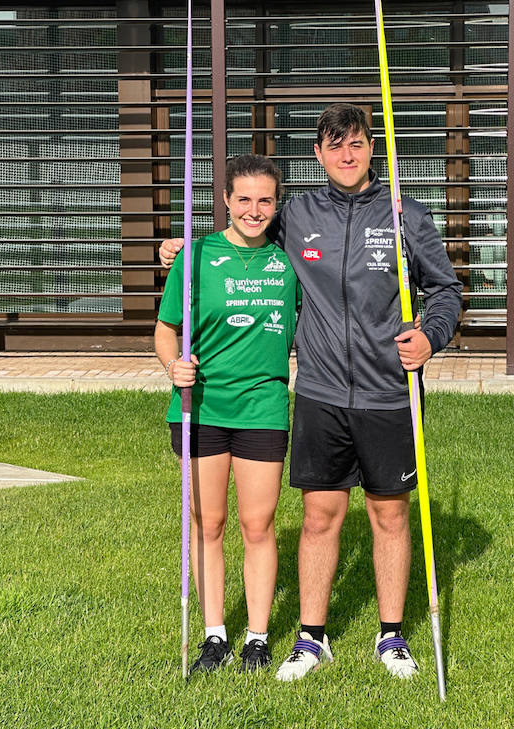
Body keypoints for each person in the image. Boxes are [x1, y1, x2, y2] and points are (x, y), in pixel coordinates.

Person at [160, 104, 463, 682]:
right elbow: (242, 231)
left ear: (372, 148)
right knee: (321, 515)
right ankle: (311, 638)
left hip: (389, 392)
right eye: (334, 146)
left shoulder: (406, 216)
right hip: (322, 393)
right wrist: (180, 250)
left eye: (357, 144)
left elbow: (445, 290)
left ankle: (392, 636)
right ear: (319, 155)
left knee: (390, 515)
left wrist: (431, 335)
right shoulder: (296, 214)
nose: (347, 156)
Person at [155, 154, 298, 675]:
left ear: (276, 205)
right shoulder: (194, 257)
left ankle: (257, 639)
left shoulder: (289, 263)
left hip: (263, 407)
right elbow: (166, 327)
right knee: (206, 523)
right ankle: (215, 635)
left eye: (265, 200)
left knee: (257, 524)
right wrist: (174, 365)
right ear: (226, 201)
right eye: (244, 199)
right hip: (201, 407)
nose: (254, 210)